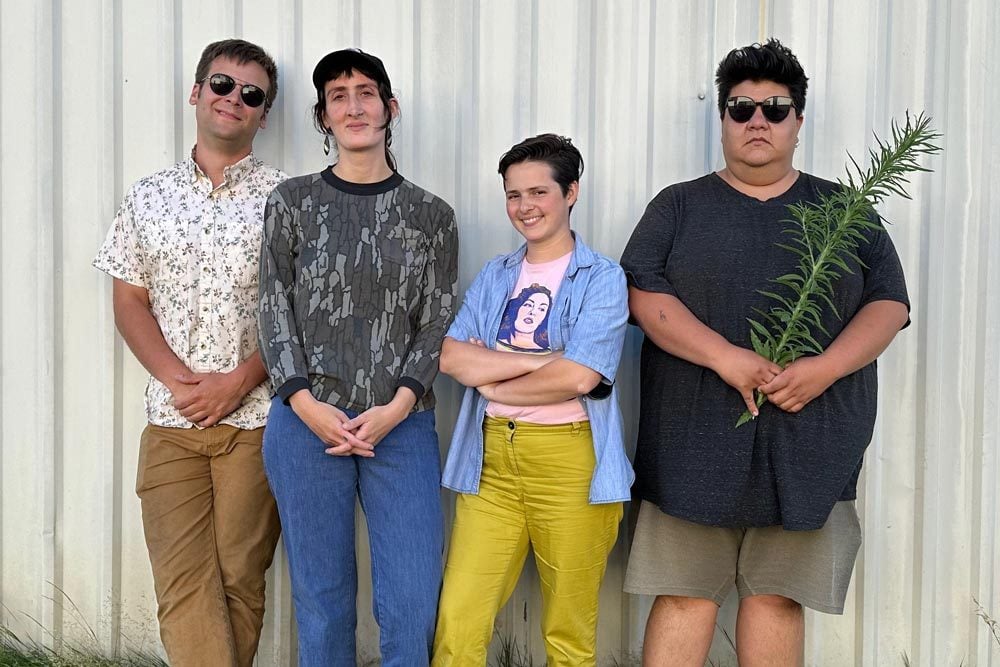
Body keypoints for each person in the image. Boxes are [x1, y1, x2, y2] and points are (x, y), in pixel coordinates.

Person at [619, 39, 910, 666]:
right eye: (741, 107)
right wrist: (723, 356)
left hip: (810, 440)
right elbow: (643, 292)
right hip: (691, 437)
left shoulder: (846, 210)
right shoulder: (679, 205)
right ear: (722, 118)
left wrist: (824, 369)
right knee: (683, 597)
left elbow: (890, 305)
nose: (758, 121)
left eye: (775, 109)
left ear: (798, 122)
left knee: (777, 599)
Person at [257, 48, 458, 666]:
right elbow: (272, 306)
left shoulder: (431, 215)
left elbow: (437, 318)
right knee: (322, 597)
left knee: (412, 596)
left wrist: (397, 406)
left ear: (389, 108)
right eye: (338, 96)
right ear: (323, 116)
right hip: (306, 423)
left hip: (400, 425)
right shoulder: (292, 203)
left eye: (365, 92)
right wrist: (305, 404)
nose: (354, 105)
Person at [92, 39, 285, 667]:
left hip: (256, 424)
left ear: (263, 113)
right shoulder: (147, 196)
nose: (234, 99)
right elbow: (129, 302)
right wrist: (182, 382)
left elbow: (299, 315)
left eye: (251, 94)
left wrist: (238, 381)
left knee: (239, 583)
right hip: (171, 423)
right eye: (223, 85)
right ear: (197, 92)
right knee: (182, 584)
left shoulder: (291, 201)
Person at [432, 134, 633, 667]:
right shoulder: (496, 275)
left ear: (571, 193)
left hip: (570, 463)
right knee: (459, 621)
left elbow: (582, 378)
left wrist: (494, 378)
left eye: (539, 192)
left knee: (568, 633)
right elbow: (451, 358)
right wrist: (545, 362)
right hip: (491, 461)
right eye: (513, 194)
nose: (525, 207)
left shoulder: (603, 278)